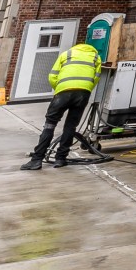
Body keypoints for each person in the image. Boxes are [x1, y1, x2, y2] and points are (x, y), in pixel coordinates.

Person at [21, 29, 104, 170]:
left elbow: (52, 75)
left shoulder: (67, 54)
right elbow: (96, 77)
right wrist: (86, 88)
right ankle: (60, 159)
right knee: (70, 127)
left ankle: (37, 160)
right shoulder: (96, 57)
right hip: (83, 93)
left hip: (63, 92)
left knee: (49, 125)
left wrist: (58, 88)